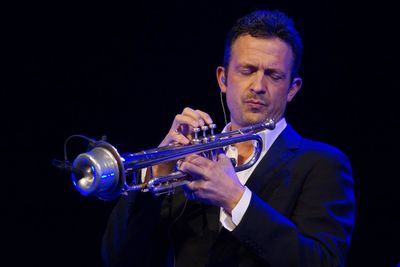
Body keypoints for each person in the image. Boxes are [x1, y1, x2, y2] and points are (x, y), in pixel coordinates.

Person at [101, 9, 355, 267]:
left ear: (292, 88)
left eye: (274, 75)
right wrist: (156, 171)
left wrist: (235, 198)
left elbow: (324, 262)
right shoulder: (185, 159)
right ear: (223, 79)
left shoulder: (323, 164)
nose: (258, 86)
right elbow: (119, 258)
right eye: (247, 70)